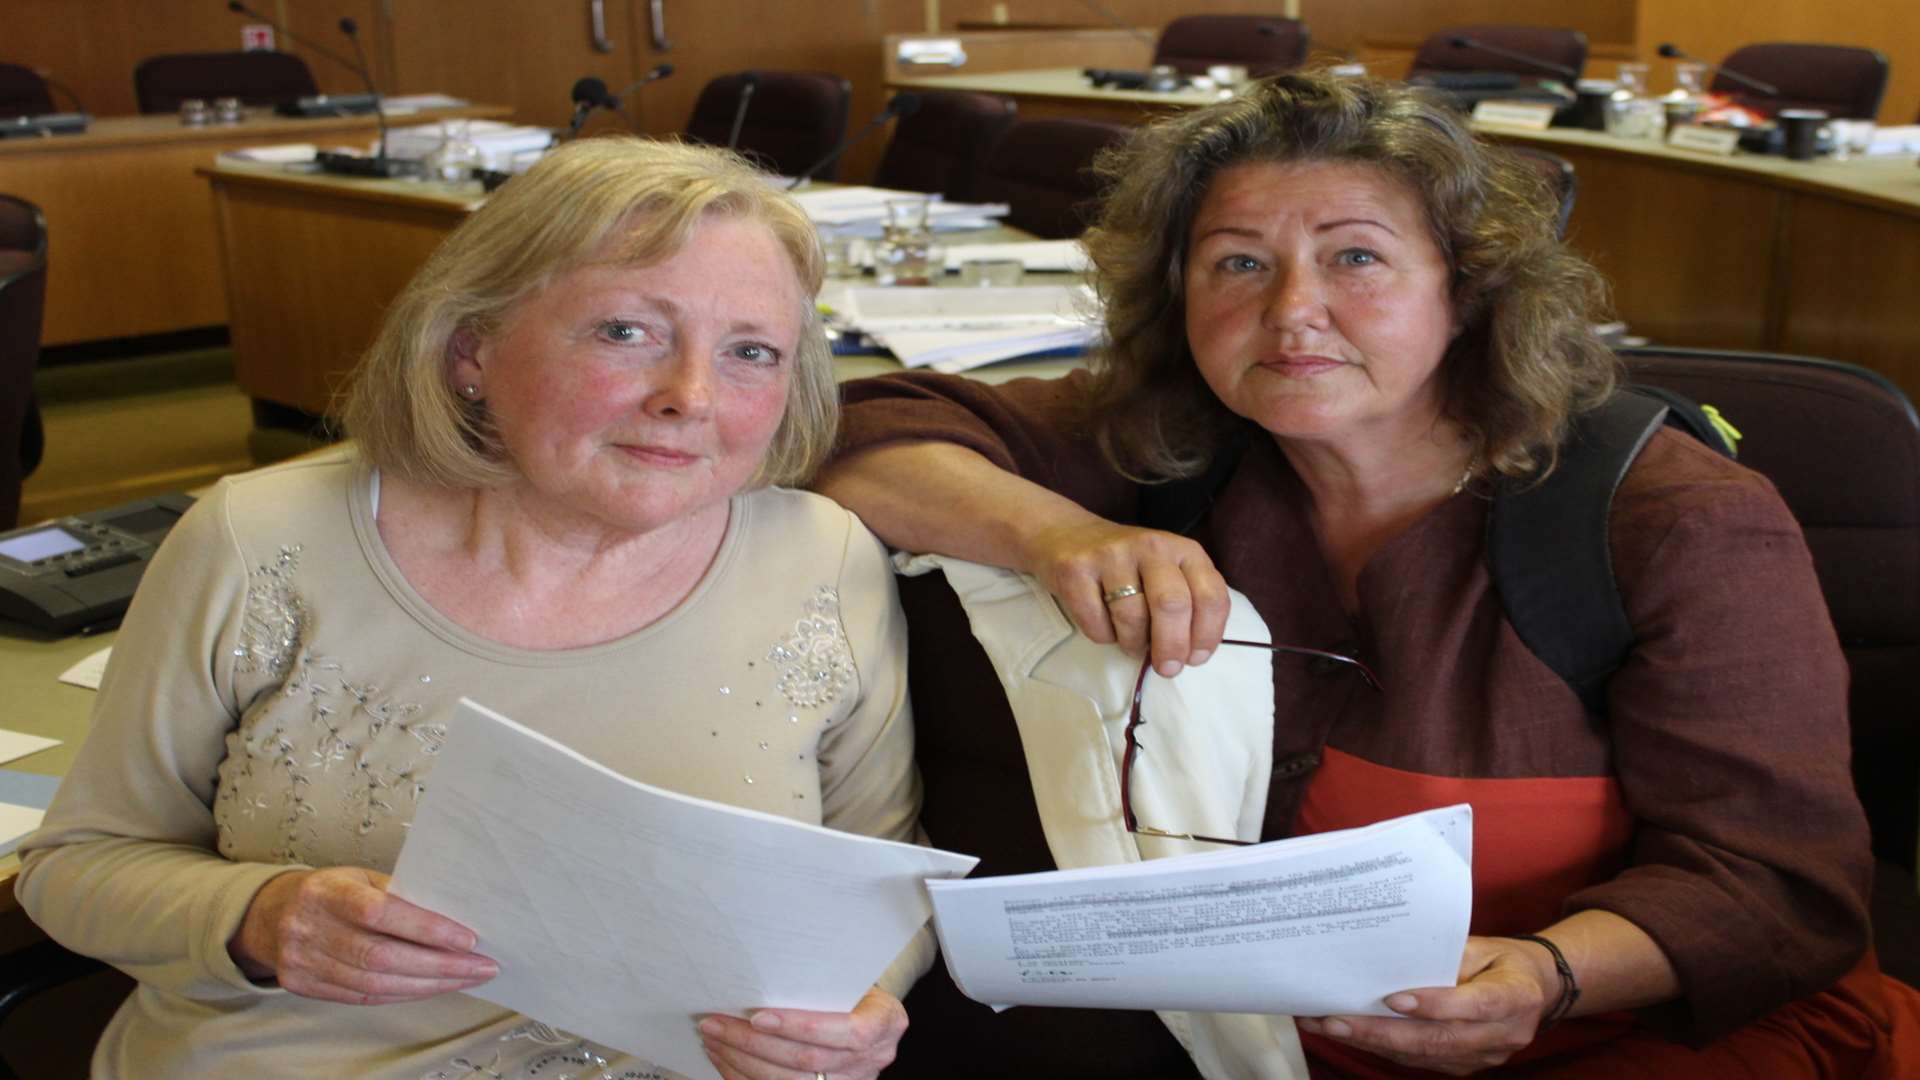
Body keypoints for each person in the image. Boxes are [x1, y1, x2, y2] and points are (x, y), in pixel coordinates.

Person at [816, 71, 1920, 1077]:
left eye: (1356, 257)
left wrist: (1547, 974)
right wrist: (1054, 533)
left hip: (1624, 1033)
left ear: (1468, 290)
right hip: (1271, 1049)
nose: (1292, 310)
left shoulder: (1677, 523)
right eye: (1238, 262)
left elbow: (1778, 885)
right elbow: (857, 430)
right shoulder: (1178, 437)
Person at [17, 137, 923, 1080]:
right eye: (626, 331)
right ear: (469, 351)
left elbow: (886, 882)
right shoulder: (259, 541)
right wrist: (257, 917)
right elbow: (78, 866)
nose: (690, 396)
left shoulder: (824, 558)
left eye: (750, 352)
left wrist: (858, 1011)